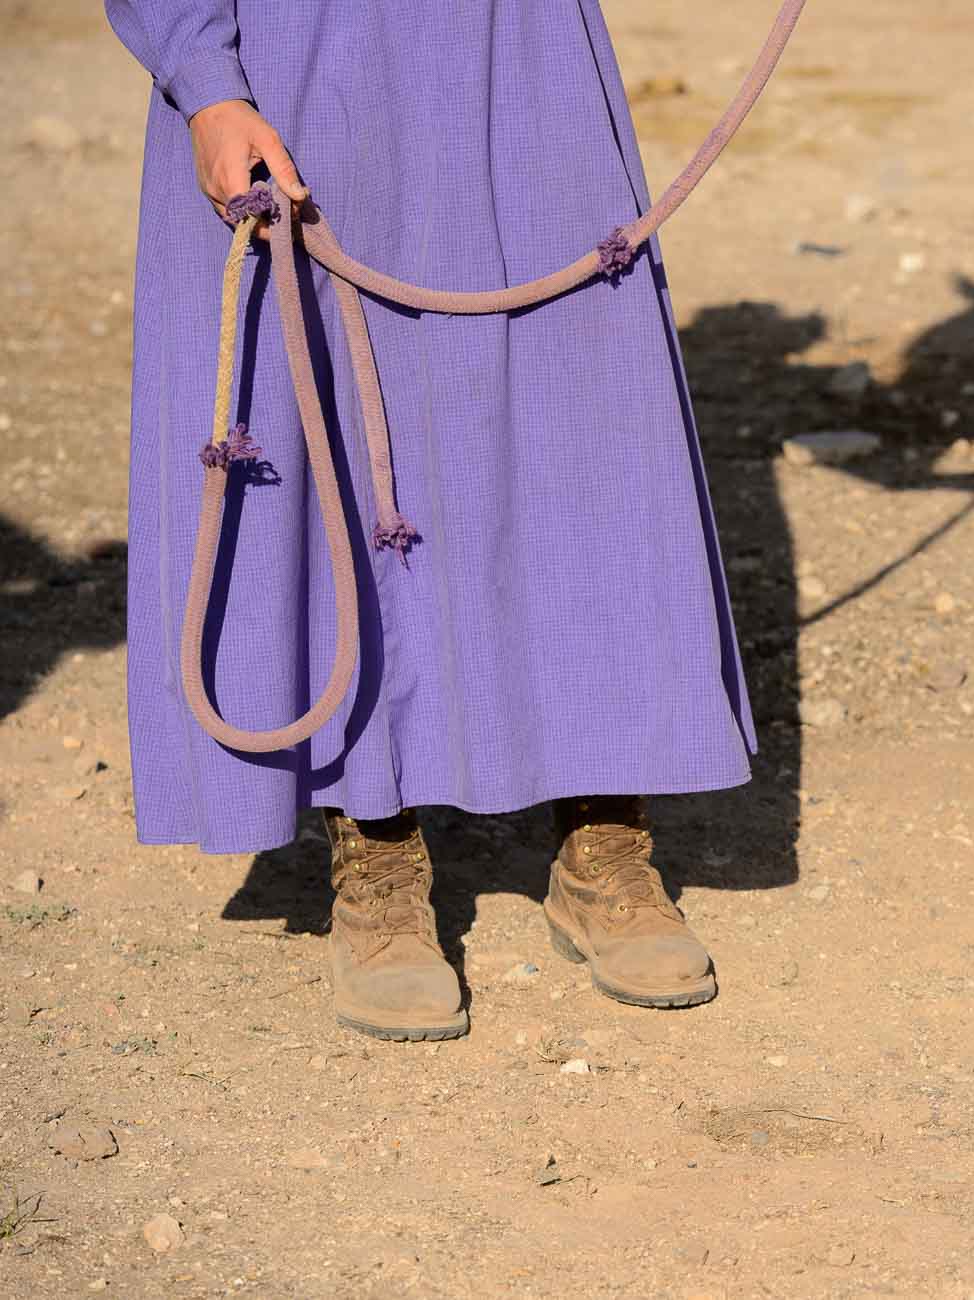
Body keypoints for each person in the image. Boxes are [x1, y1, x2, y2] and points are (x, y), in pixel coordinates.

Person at [107, 1, 758, 1041]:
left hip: (521, 50)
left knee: (576, 413)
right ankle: (373, 843)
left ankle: (604, 842)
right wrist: (207, 78)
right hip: (304, 52)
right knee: (333, 432)